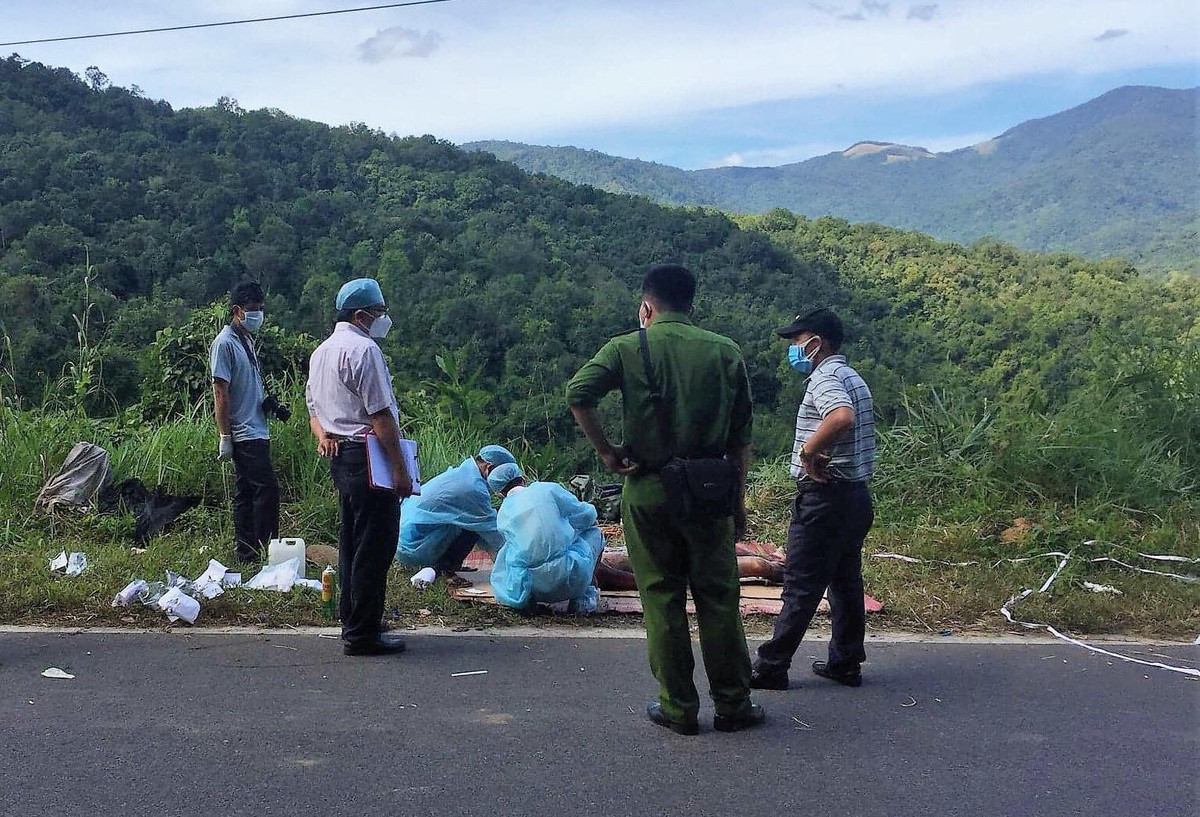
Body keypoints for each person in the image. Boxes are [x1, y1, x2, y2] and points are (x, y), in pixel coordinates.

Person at [566, 263, 764, 735]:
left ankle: (678, 708)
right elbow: (740, 440)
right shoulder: (725, 351)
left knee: (661, 597)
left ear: (646, 307)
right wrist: (737, 504)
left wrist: (608, 454)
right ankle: (733, 705)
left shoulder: (628, 347)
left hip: (650, 490)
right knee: (719, 598)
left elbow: (579, 393)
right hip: (711, 490)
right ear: (692, 306)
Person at [750, 308, 876, 690]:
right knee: (845, 581)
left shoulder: (825, 377)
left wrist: (808, 453)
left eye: (796, 341)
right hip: (855, 497)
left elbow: (840, 417)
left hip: (825, 498)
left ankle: (771, 666)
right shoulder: (853, 376)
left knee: (801, 584)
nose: (793, 348)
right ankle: (846, 661)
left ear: (816, 343)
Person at [306, 278, 413, 657]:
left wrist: (324, 435)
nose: (383, 320)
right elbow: (381, 415)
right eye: (380, 313)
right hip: (368, 455)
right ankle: (363, 633)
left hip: (342, 458)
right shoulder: (364, 350)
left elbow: (314, 411)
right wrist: (400, 470)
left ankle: (353, 619)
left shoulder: (321, 352)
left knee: (352, 541)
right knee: (375, 545)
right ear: (362, 315)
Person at [210, 280, 279, 564]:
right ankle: (264, 549)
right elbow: (220, 391)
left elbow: (245, 385)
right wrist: (225, 436)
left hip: (257, 425)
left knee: (247, 491)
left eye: (261, 309)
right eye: (253, 310)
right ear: (237, 310)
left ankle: (247, 552)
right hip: (244, 431)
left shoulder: (245, 340)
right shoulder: (224, 343)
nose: (257, 315)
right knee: (266, 490)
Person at [486, 463, 605, 613]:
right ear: (523, 478)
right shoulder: (547, 488)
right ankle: (584, 600)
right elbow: (587, 515)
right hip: (570, 576)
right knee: (595, 533)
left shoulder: (503, 514)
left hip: (531, 585)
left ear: (499, 494)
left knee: (508, 549)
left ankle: (524, 602)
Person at [394, 445, 517, 582]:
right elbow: (494, 533)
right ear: (489, 468)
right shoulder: (473, 488)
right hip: (413, 547)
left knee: (474, 522)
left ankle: (449, 563)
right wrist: (517, 557)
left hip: (403, 538)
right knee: (474, 527)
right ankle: (445, 567)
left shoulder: (462, 474)